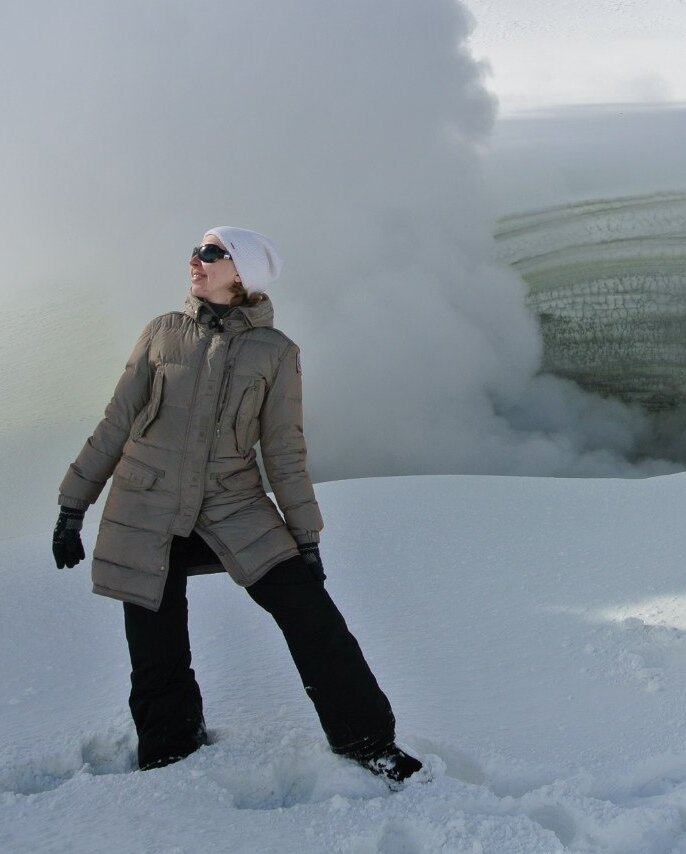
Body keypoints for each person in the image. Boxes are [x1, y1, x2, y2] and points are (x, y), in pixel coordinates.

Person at [51, 227, 422, 784]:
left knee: (313, 618)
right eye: (195, 251)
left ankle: (368, 741)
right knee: (155, 644)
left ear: (243, 273)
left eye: (211, 253)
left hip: (232, 503)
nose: (196, 261)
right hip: (146, 503)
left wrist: (306, 537)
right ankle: (169, 746)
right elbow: (117, 422)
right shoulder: (161, 332)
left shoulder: (276, 353)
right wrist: (72, 505)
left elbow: (284, 451)